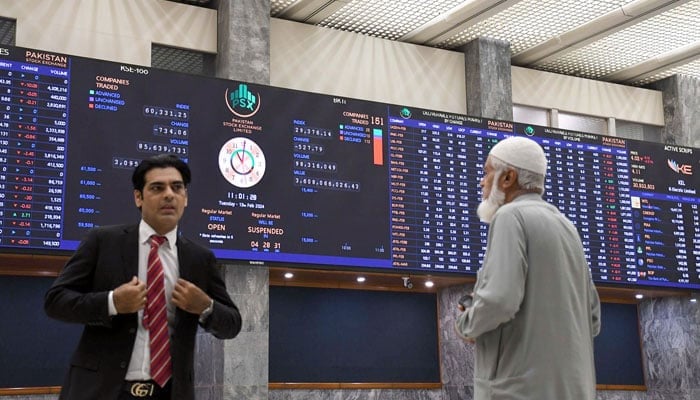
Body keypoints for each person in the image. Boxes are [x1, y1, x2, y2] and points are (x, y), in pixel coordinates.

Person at [45, 154, 242, 400]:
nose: (169, 194)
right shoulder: (102, 241)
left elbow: (233, 324)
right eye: (157, 188)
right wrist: (112, 302)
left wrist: (205, 306)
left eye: (177, 187)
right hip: (102, 391)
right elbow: (55, 301)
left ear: (186, 198)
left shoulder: (200, 258)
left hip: (170, 393)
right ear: (138, 197)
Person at [455, 136, 601, 400]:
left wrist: (467, 323)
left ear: (508, 178)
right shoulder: (567, 227)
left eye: (487, 173)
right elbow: (593, 318)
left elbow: (499, 301)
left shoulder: (510, 217)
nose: (482, 182)